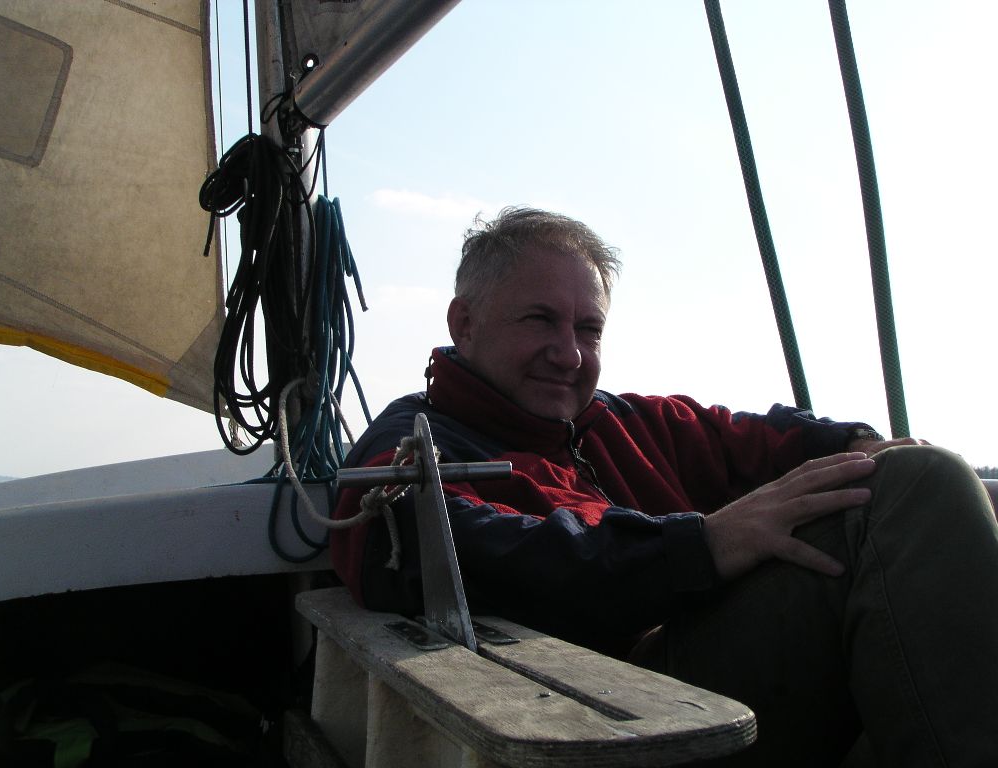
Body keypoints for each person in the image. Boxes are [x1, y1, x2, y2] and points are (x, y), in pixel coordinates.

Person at [331, 207, 998, 767]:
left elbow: (755, 438)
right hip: (609, 716)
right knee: (921, 490)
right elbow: (450, 552)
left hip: (692, 690)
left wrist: (852, 445)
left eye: (588, 329)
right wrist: (703, 545)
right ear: (464, 323)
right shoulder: (410, 451)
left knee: (910, 479)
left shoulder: (623, 423)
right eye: (539, 320)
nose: (569, 353)